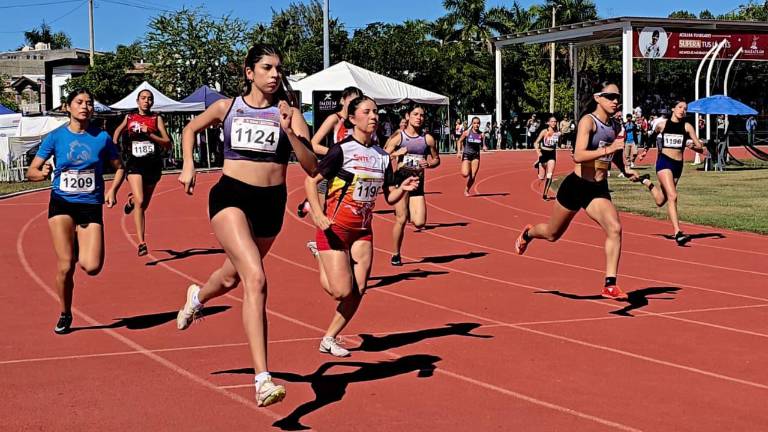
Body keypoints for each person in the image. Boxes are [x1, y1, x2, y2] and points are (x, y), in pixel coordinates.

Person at [175, 44, 317, 407]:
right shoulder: (227, 107)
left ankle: (197, 297)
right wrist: (188, 164)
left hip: (271, 204)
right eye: (267, 68)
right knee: (255, 278)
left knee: (230, 277)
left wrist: (289, 132)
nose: (275, 75)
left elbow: (312, 166)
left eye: (279, 69)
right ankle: (263, 379)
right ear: (248, 72)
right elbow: (190, 129)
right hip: (231, 196)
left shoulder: (291, 114)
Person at [304, 95, 419, 357]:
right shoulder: (342, 150)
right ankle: (319, 255)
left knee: (359, 290)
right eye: (366, 112)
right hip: (334, 228)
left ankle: (329, 338)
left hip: (363, 230)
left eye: (376, 111)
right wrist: (318, 215)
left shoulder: (381, 156)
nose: (373, 116)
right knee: (340, 291)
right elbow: (311, 182)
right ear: (353, 118)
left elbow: (388, 197)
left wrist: (402, 188)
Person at [514, 82, 641, 300]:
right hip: (576, 185)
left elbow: (615, 154)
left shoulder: (615, 126)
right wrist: (608, 149)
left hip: (598, 189)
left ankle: (610, 284)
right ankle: (528, 233)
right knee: (552, 234)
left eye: (617, 97)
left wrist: (625, 169)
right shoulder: (588, 122)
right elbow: (578, 155)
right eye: (610, 96)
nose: (615, 101)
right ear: (597, 97)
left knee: (615, 228)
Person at [26, 88, 125, 334]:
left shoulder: (101, 138)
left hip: (90, 206)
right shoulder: (55, 137)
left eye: (89, 103)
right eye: (79, 102)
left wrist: (112, 191)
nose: (85, 106)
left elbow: (120, 168)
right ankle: (65, 312)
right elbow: (32, 171)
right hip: (62, 203)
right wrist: (42, 174)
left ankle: (80, 243)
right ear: (68, 107)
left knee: (92, 267)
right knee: (66, 265)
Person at [112, 89, 172, 256]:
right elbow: (118, 131)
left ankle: (130, 202)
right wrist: (114, 145)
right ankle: (141, 242)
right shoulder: (130, 117)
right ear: (137, 101)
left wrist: (150, 134)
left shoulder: (156, 118)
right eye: (143, 98)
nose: (146, 101)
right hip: (134, 164)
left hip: (152, 165)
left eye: (149, 98)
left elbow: (167, 143)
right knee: (140, 200)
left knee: (142, 204)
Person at [637, 100, 704, 246]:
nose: (682, 110)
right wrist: (644, 152)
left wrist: (693, 146)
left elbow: (699, 147)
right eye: (680, 107)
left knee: (661, 200)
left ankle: (646, 181)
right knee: (673, 196)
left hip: (677, 166)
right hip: (664, 162)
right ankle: (678, 232)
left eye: (685, 109)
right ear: (673, 108)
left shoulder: (687, 127)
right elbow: (651, 138)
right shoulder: (663, 124)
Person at [384, 103, 441, 266]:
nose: (419, 118)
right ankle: (395, 254)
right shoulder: (399, 137)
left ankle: (407, 209)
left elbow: (437, 159)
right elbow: (381, 156)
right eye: (416, 114)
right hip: (401, 181)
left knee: (420, 222)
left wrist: (429, 164)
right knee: (401, 219)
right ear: (408, 116)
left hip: (417, 183)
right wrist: (396, 154)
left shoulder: (427, 139)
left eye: (422, 115)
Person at [297, 86, 363, 218]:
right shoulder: (335, 119)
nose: (353, 105)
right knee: (322, 210)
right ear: (342, 101)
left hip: (351, 172)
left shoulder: (358, 121)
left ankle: (309, 203)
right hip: (331, 169)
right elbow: (314, 144)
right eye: (351, 101)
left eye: (357, 102)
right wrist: (337, 153)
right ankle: (310, 205)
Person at [532, 116, 560, 200]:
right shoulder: (544, 131)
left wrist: (561, 144)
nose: (554, 123)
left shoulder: (558, 133)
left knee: (550, 174)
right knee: (541, 177)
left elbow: (558, 142)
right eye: (552, 121)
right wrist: (539, 153)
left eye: (555, 121)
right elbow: (535, 143)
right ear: (548, 123)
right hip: (543, 153)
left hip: (552, 153)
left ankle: (545, 194)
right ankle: (539, 163)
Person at [456, 117, 484, 196]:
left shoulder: (481, 134)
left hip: (476, 156)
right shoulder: (467, 133)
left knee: (473, 175)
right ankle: (466, 167)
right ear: (472, 124)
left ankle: (467, 190)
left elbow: (483, 145)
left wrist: (484, 147)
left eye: (478, 123)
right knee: (465, 174)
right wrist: (459, 152)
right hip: (467, 155)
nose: (476, 125)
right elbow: (459, 141)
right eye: (474, 123)